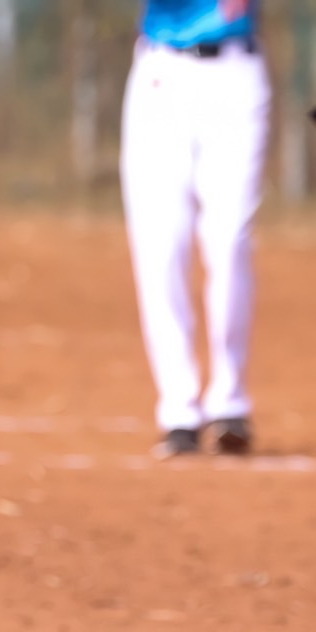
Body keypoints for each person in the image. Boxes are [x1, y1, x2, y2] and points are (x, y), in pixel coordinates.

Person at [120, 0, 269, 458]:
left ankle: (229, 401)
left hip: (235, 71)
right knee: (161, 245)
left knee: (229, 241)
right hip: (162, 74)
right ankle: (179, 411)